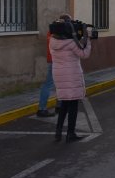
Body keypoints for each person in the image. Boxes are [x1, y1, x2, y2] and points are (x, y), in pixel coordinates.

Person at [50, 14, 92, 143]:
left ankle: (58, 132)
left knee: (64, 105)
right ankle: (70, 133)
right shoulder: (71, 43)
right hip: (71, 75)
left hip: (59, 74)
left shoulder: (52, 41)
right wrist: (86, 38)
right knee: (73, 105)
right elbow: (84, 54)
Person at [37, 30, 60, 117]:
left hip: (53, 60)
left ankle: (59, 105)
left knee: (59, 84)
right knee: (49, 84)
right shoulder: (59, 33)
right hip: (57, 61)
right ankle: (42, 109)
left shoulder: (51, 32)